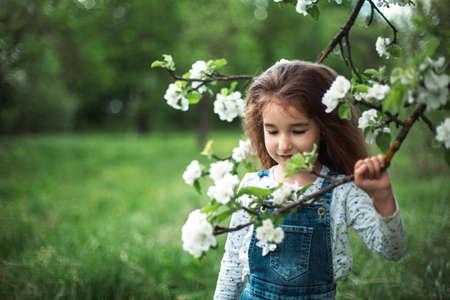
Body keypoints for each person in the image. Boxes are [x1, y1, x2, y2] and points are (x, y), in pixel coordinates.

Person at [213, 61, 406, 300]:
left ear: (324, 128)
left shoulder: (341, 191)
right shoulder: (253, 187)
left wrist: (383, 197)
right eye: (272, 131)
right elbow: (232, 265)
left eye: (298, 131)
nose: (283, 145)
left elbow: (392, 250)